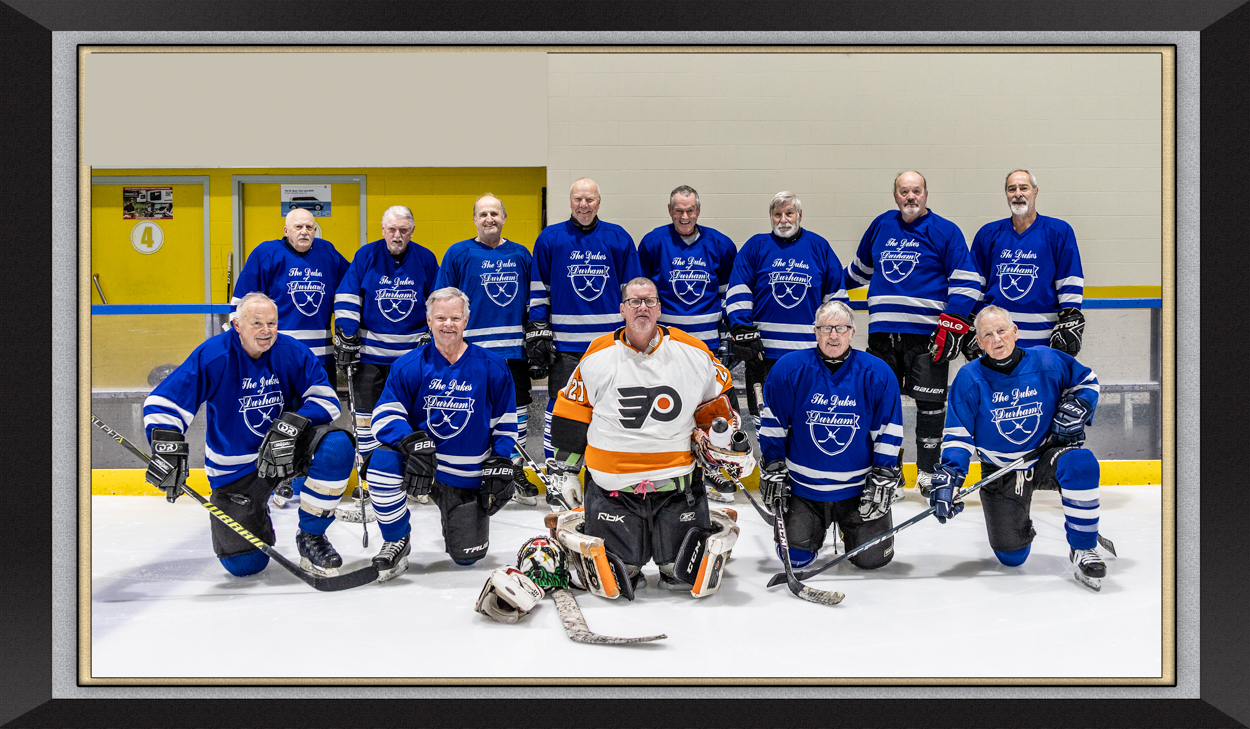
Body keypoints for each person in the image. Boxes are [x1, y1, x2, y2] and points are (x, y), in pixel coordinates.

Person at [546, 278, 752, 598]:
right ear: (622, 309)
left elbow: (721, 407)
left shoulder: (693, 351)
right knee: (620, 577)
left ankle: (673, 547)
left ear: (659, 308)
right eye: (634, 301)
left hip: (677, 488)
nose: (642, 307)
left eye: (649, 301)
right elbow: (571, 416)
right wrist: (567, 471)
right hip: (613, 491)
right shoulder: (597, 355)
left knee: (680, 574)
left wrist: (724, 448)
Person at [141, 293, 354, 577]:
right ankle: (255, 512)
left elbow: (326, 399)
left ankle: (311, 535)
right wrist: (166, 444)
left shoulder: (291, 351)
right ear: (237, 325)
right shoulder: (214, 355)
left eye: (272, 323)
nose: (266, 331)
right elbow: (164, 403)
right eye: (257, 323)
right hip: (237, 468)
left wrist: (292, 425)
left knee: (336, 445)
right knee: (244, 565)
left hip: (285, 450)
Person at [929, 305, 1106, 590]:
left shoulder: (1047, 359)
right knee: (1011, 557)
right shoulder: (969, 377)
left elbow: (1087, 381)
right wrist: (951, 475)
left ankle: (1083, 547)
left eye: (1001, 331)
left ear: (1014, 331)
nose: (996, 340)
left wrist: (1080, 405)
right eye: (987, 335)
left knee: (1081, 464)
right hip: (1000, 469)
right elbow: (958, 435)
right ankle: (1018, 521)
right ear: (978, 341)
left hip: (1045, 454)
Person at [363, 287, 520, 580]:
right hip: (421, 464)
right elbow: (385, 415)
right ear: (428, 320)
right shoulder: (408, 365)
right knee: (382, 462)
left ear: (466, 320)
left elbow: (505, 424)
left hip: (467, 475)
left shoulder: (493, 366)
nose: (448, 324)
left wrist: (500, 459)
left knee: (467, 558)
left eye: (455, 318)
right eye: (441, 318)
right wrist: (410, 441)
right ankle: (397, 539)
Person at [843, 171, 981, 498]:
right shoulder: (881, 225)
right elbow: (857, 272)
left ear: (926, 194)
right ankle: (887, 472)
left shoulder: (945, 231)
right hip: (882, 336)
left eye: (916, 191)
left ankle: (928, 472)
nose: (910, 197)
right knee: (880, 407)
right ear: (895, 196)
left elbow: (968, 283)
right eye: (904, 191)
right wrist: (823, 288)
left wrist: (953, 323)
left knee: (930, 407)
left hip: (927, 338)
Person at [757, 301, 904, 571]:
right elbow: (774, 426)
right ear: (815, 332)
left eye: (840, 328)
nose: (833, 335)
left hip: (857, 492)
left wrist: (883, 473)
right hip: (804, 490)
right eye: (826, 328)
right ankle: (812, 529)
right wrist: (774, 465)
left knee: (873, 559)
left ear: (852, 332)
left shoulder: (877, 373)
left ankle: (850, 530)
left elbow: (888, 431)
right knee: (795, 558)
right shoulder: (789, 370)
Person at [526, 177, 642, 509]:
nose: (584, 205)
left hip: (610, 349)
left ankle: (607, 476)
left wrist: (634, 336)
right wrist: (538, 328)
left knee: (613, 411)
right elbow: (539, 289)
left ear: (599, 202)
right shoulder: (550, 238)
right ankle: (558, 478)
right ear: (570, 201)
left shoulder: (618, 238)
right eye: (578, 199)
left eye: (590, 199)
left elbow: (633, 292)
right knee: (561, 413)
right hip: (565, 349)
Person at [231, 208, 350, 508]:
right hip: (278, 357)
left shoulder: (327, 253)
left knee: (312, 419)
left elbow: (351, 287)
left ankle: (302, 478)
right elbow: (241, 304)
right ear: (286, 230)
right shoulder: (266, 254)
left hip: (320, 358)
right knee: (279, 418)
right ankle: (277, 478)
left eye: (310, 227)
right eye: (298, 227)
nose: (304, 232)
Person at [435, 193, 538, 505]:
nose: (489, 219)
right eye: (483, 214)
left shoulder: (521, 253)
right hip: (473, 353)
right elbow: (443, 300)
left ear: (504, 218)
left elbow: (532, 299)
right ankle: (475, 471)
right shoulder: (458, 253)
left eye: (494, 213)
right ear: (474, 219)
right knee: (475, 412)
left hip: (513, 352)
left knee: (517, 412)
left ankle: (514, 468)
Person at [637, 185, 738, 503]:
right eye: (679, 210)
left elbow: (728, 295)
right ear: (670, 210)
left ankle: (717, 469)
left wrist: (727, 336)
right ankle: (668, 470)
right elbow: (644, 297)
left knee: (713, 413)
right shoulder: (653, 243)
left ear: (698, 210)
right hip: (666, 349)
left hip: (707, 349)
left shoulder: (721, 245)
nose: (684, 216)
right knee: (667, 411)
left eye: (690, 210)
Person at [724, 191, 848, 431]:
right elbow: (739, 288)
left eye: (789, 213)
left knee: (804, 418)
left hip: (808, 355)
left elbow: (835, 298)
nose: (783, 219)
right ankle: (769, 456)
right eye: (777, 214)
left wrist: (834, 338)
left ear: (799, 215)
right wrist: (741, 328)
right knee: (764, 418)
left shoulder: (819, 246)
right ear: (770, 217)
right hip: (763, 354)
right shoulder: (756, 246)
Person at [333, 205, 440, 468]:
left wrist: (433, 336)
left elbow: (437, 301)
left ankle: (409, 471)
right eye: (392, 229)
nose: (397, 235)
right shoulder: (366, 255)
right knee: (365, 419)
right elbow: (347, 295)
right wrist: (347, 334)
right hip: (369, 359)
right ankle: (369, 473)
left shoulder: (426, 258)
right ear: (383, 230)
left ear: (412, 231)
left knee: (410, 416)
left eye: (403, 230)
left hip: (411, 360)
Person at [966, 169, 1085, 359]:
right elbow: (975, 284)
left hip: (1044, 339)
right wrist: (973, 323)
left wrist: (1070, 316)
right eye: (1011, 189)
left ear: (1035, 191)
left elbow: (1069, 279)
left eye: (1024, 188)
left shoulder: (1058, 232)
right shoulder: (988, 234)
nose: (1018, 194)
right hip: (997, 340)